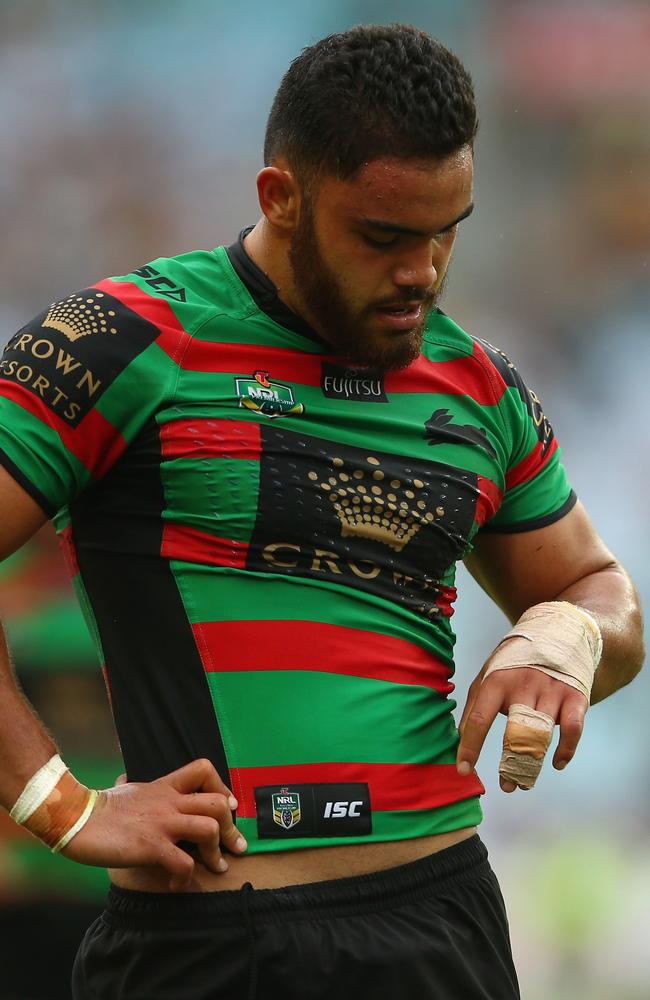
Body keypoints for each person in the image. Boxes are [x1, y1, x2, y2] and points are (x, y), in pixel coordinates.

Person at [0, 22, 643, 1000]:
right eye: (383, 237)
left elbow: (599, 590)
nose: (421, 272)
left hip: (441, 922)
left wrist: (562, 635)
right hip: (207, 943)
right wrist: (59, 804)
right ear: (280, 197)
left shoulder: (477, 384)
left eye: (445, 232)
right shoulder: (121, 339)